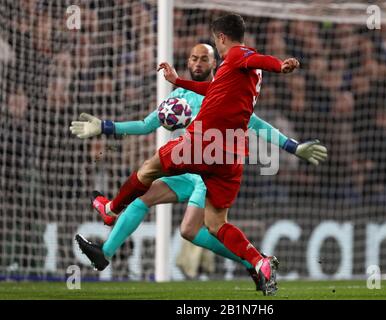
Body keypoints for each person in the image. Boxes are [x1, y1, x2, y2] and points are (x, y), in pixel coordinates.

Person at [76, 14, 327, 296]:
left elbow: (256, 59)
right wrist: (177, 82)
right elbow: (169, 112)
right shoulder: (227, 82)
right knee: (211, 222)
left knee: (150, 172)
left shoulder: (236, 56)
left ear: (219, 41)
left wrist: (280, 66)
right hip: (229, 155)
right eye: (193, 58)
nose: (199, 62)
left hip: (204, 145)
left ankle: (110, 211)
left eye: (206, 56)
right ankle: (259, 262)